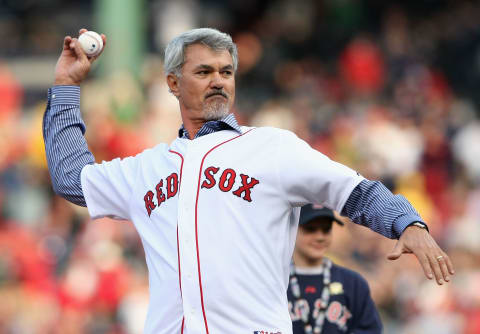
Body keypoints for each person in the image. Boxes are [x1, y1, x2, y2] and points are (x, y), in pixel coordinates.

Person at [43, 27, 454, 334]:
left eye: (226, 71)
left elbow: (353, 190)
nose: (219, 80)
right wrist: (66, 86)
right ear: (173, 83)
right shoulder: (146, 169)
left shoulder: (273, 148)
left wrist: (407, 222)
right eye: (203, 71)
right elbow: (70, 178)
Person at [288, 204, 382, 334]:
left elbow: (370, 330)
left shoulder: (353, 283)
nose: (320, 237)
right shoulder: (276, 281)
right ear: (292, 230)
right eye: (311, 229)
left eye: (326, 229)